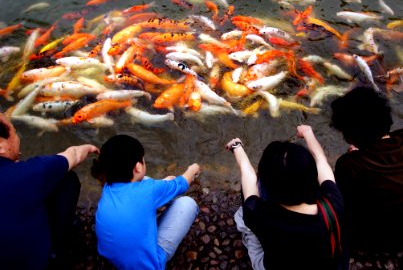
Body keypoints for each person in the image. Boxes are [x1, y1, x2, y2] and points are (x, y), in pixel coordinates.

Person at [228, 125, 348, 270]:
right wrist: (308, 133)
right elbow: (321, 160)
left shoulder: (260, 215)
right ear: (311, 175)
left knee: (243, 215)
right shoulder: (332, 203)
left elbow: (249, 177)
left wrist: (237, 147)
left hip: (275, 263)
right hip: (333, 265)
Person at [0, 113, 99, 270]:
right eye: (14, 132)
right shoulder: (30, 173)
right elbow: (72, 155)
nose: (18, 137)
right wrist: (89, 147)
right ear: (1, 146)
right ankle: (58, 251)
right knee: (66, 179)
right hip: (36, 264)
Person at [92, 134, 201, 270]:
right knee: (187, 204)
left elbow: (144, 189)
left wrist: (162, 184)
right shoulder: (148, 190)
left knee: (146, 181)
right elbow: (183, 183)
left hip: (113, 258)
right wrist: (193, 169)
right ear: (138, 166)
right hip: (147, 266)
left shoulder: (108, 186)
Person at [331, 86, 403, 251]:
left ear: (349, 135)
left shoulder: (350, 166)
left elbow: (345, 206)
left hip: (382, 240)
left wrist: (358, 156)